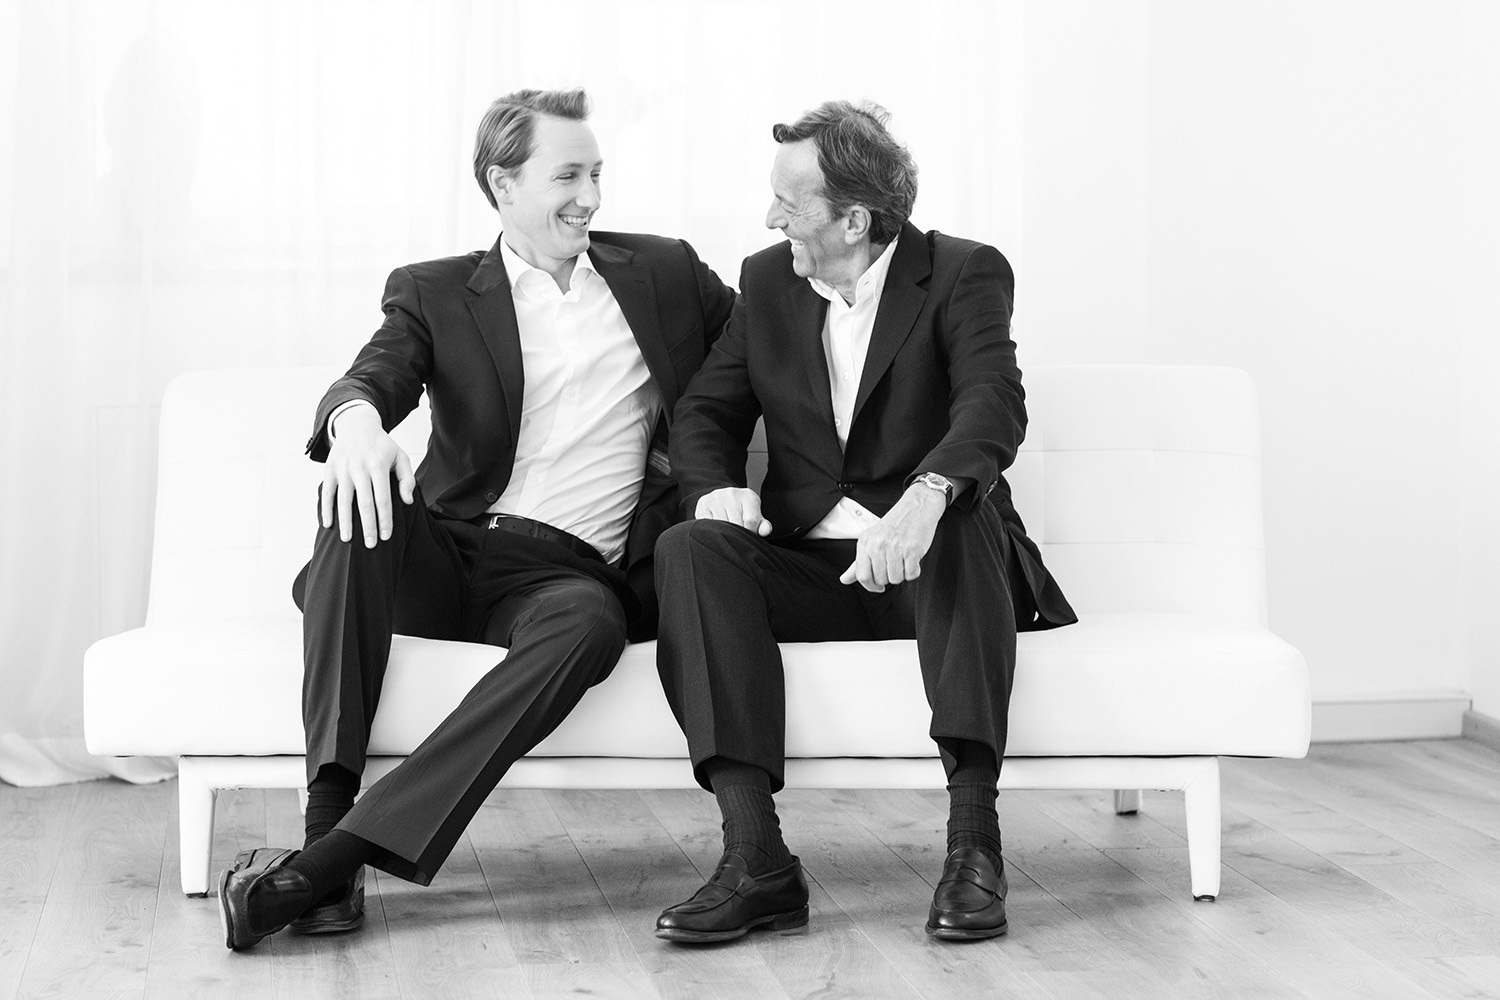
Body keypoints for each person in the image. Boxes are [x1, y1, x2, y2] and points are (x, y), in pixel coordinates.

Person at [217, 88, 734, 951]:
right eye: (568, 176)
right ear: (503, 183)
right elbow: (372, 376)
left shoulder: (665, 275)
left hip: (565, 577)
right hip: (444, 551)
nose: (591, 196)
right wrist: (355, 426)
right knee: (356, 497)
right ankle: (326, 819)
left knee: (593, 624)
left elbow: (775, 344)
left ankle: (326, 865)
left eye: (597, 173)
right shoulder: (436, 290)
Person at [651, 100, 1076, 944]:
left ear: (853, 219)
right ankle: (757, 859)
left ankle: (974, 847)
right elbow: (705, 413)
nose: (770, 218)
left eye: (789, 202)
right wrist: (716, 489)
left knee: (963, 515)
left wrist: (926, 495)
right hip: (811, 569)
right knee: (691, 548)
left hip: (933, 568)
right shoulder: (768, 282)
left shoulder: (962, 272)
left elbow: (992, 402)